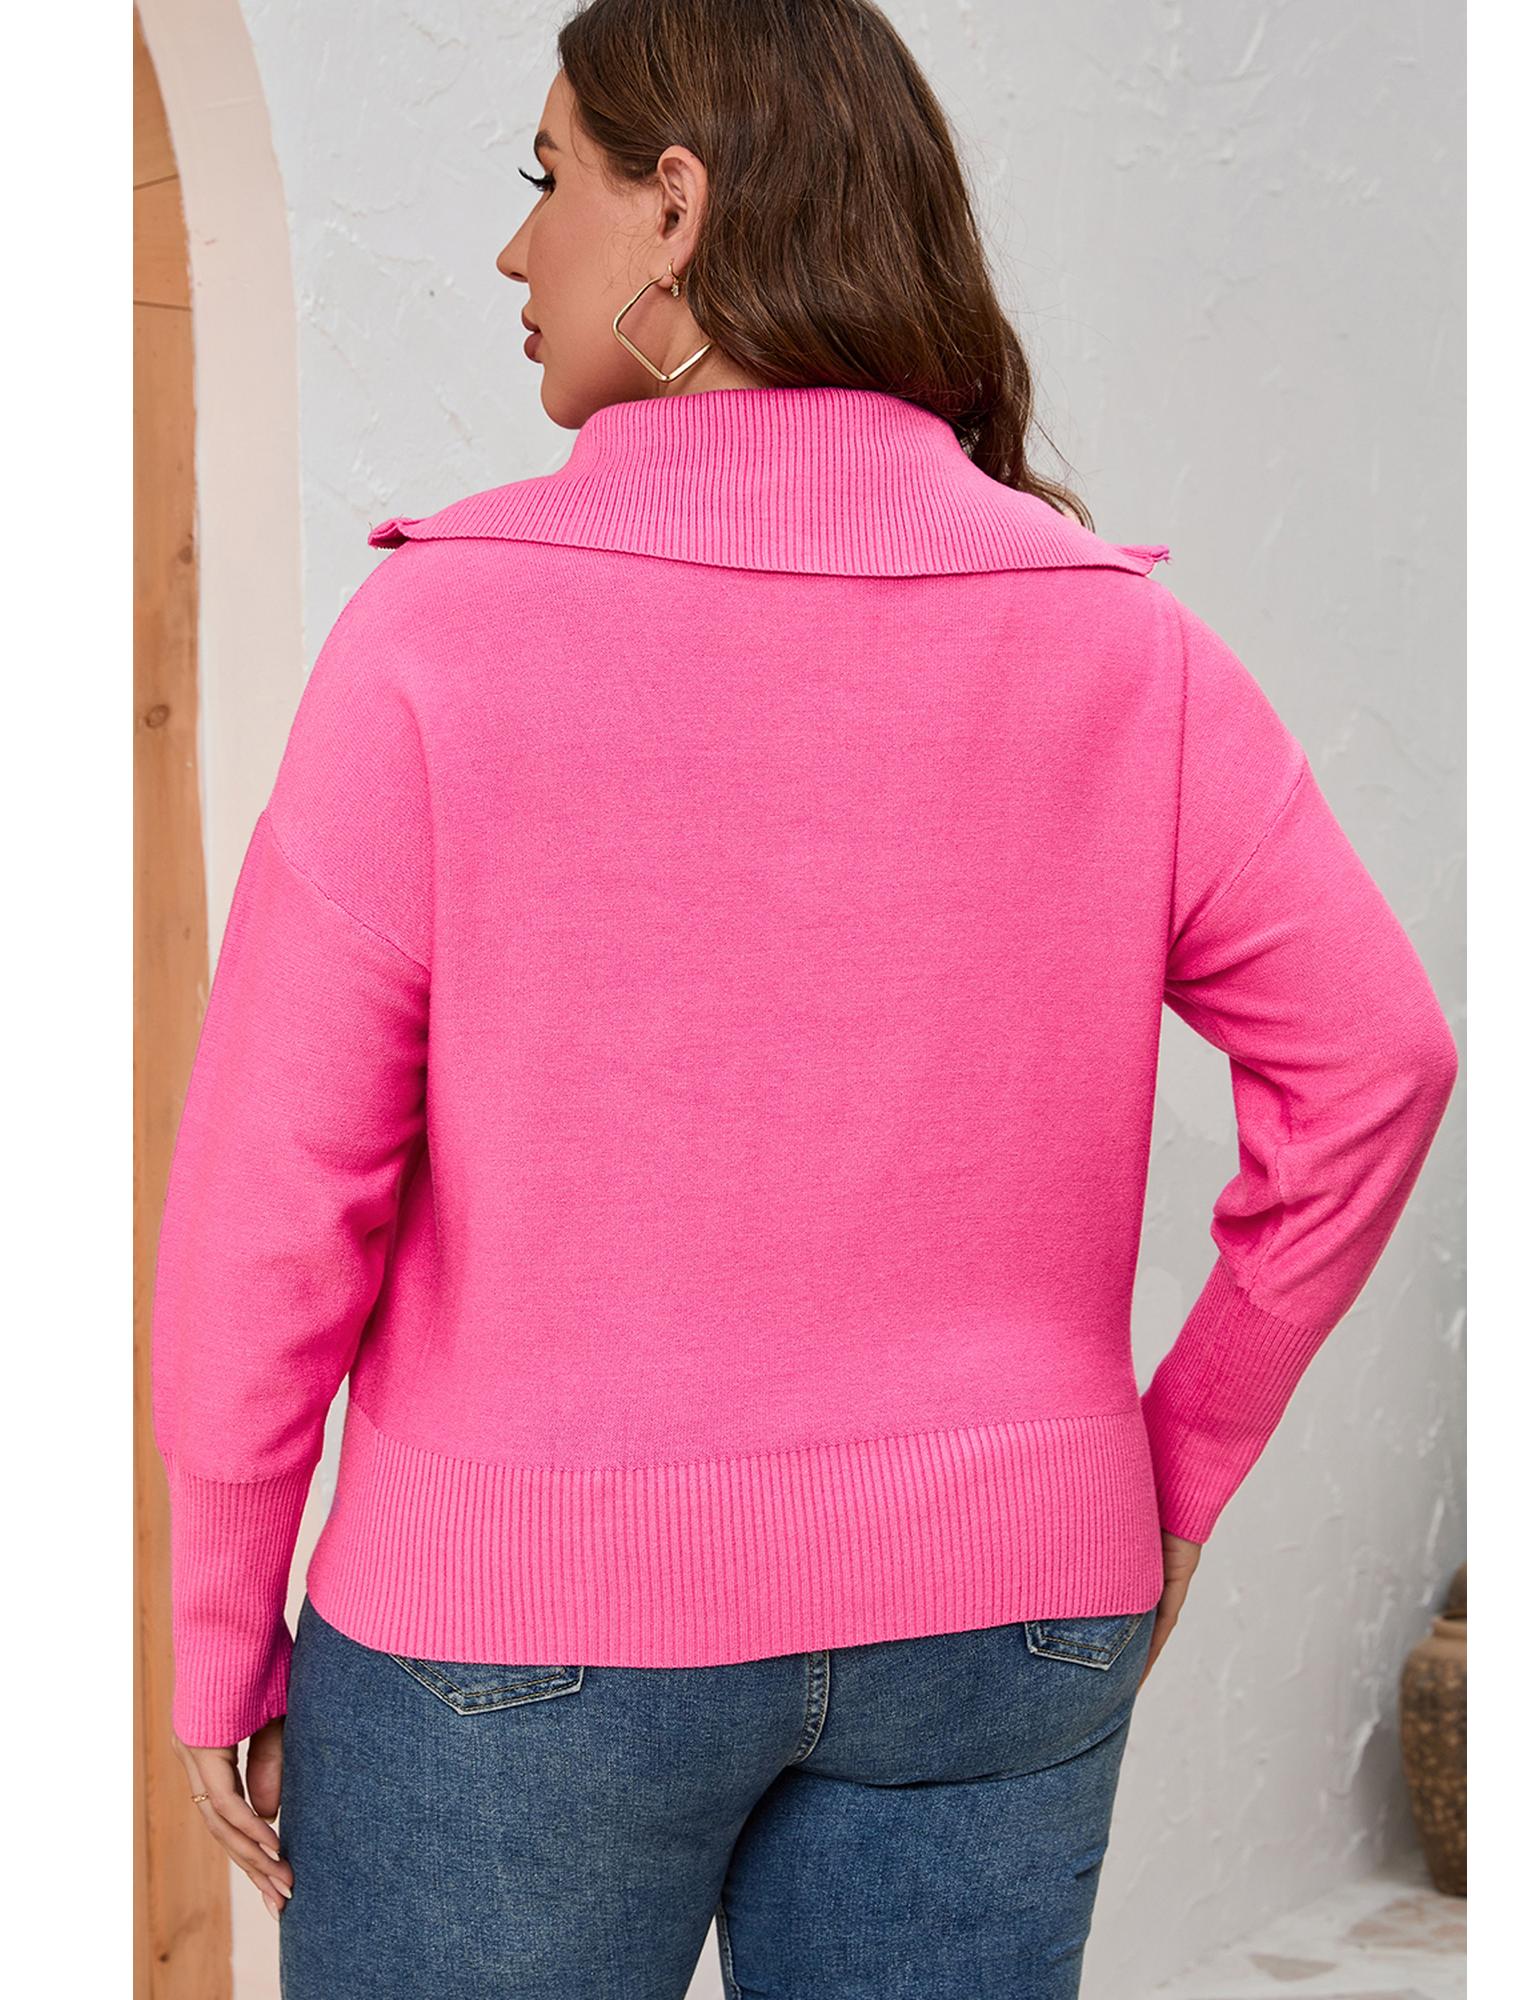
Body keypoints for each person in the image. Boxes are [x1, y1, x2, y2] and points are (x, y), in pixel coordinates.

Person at [150, 3, 1458, 1995]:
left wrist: (223, 1622)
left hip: (514, 1622)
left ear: (673, 210)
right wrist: (1173, 1467)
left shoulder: (438, 639)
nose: (514, 248)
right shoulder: (1122, 649)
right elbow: (1377, 1062)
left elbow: (272, 1202)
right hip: (1006, 1611)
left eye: (548, 178)